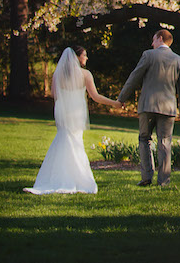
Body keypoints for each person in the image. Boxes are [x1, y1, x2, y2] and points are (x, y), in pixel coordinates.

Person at [25, 46, 121, 195]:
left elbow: (53, 94)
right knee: (75, 144)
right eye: (85, 55)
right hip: (77, 114)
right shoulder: (85, 74)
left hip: (63, 114)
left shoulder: (58, 75)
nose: (86, 58)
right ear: (77, 57)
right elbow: (95, 97)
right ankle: (77, 179)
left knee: (63, 141)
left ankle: (56, 177)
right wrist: (114, 103)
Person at [117, 28, 180, 187]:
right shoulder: (179, 60)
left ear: (160, 38)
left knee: (144, 139)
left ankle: (146, 177)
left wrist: (122, 98)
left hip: (147, 106)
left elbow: (134, 77)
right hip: (168, 108)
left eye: (154, 39)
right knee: (165, 142)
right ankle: (163, 181)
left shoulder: (148, 55)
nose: (152, 43)